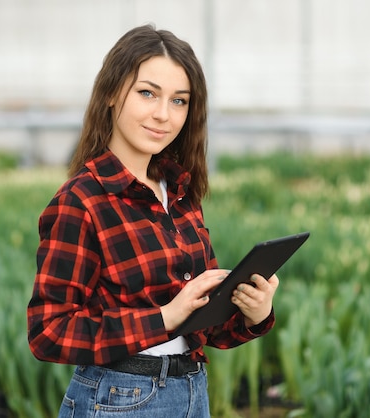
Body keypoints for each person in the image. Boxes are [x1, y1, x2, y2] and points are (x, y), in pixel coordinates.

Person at [27, 24, 279, 418]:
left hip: (191, 391)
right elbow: (49, 332)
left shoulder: (178, 193)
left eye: (179, 101)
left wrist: (254, 312)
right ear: (112, 93)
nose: (164, 114)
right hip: (119, 399)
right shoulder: (83, 200)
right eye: (148, 93)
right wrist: (164, 318)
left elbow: (199, 326)